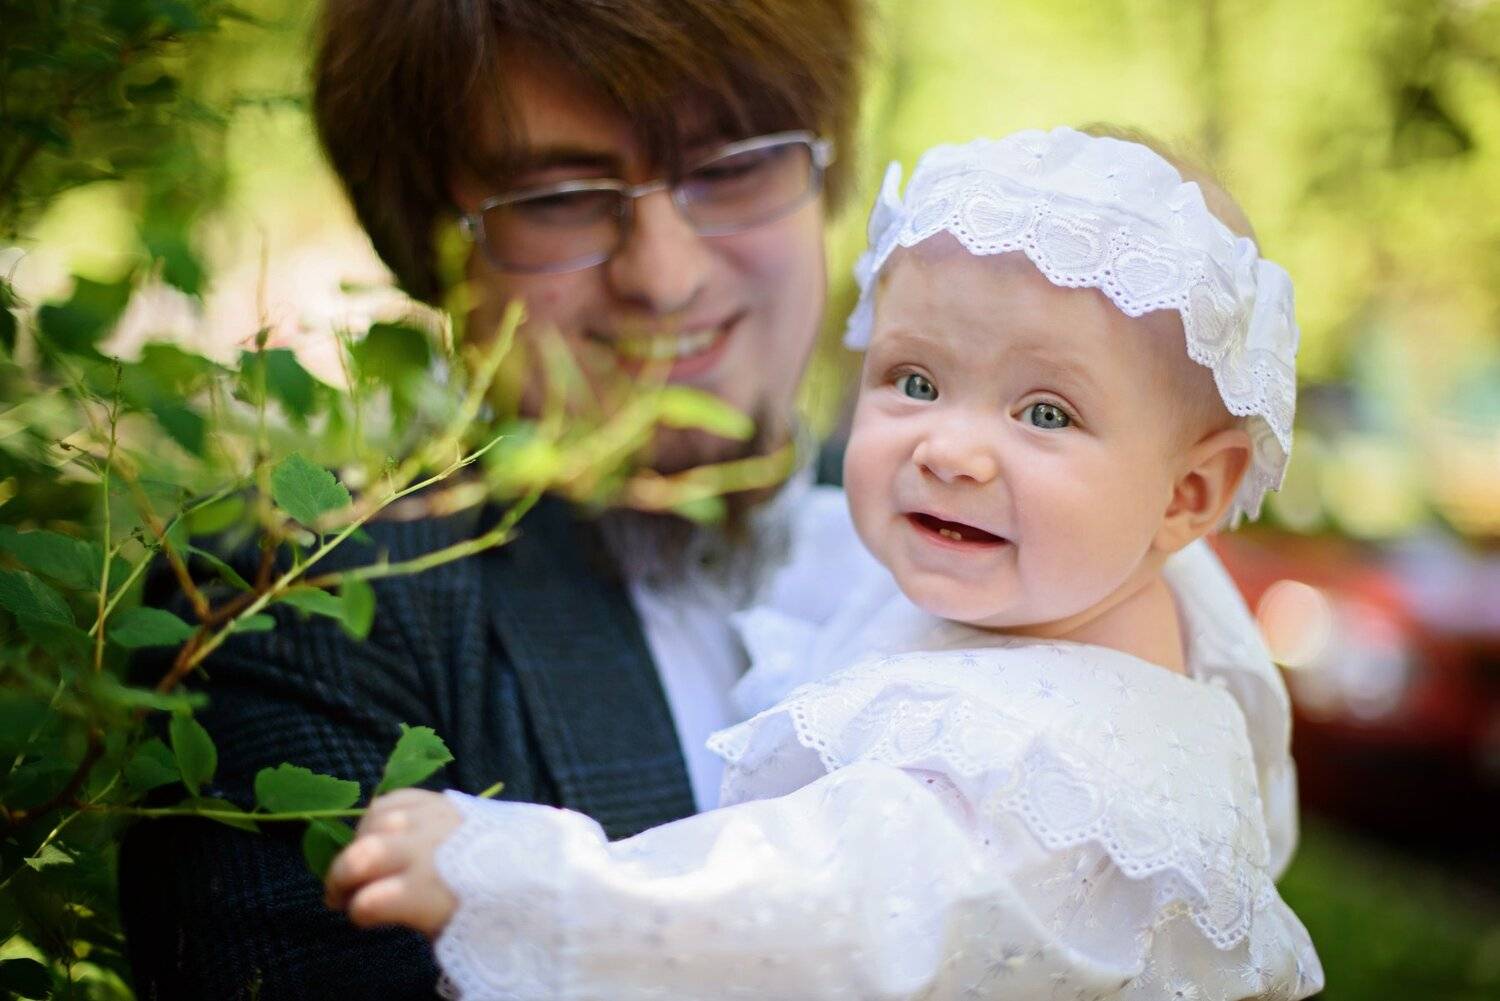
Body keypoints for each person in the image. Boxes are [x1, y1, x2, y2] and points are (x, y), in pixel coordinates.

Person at [323, 128, 1326, 1000]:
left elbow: (808, 912)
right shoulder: (1121, 595)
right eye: (916, 379)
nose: (950, 449)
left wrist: (518, 880)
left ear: (1189, 493)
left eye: (1046, 412)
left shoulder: (1039, 777)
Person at [118, 1, 866, 998]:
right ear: (430, 247)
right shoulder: (280, 620)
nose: (666, 275)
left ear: (829, 168)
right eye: (557, 197)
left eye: (731, 167)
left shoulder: (1018, 548)